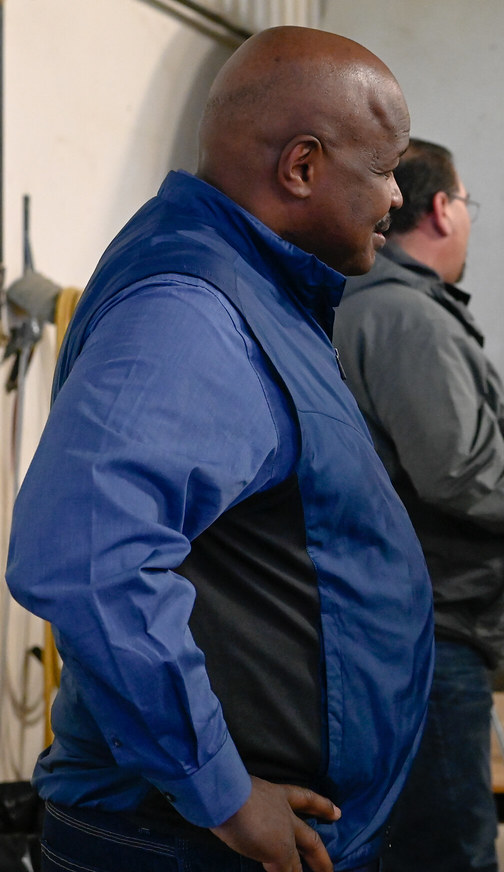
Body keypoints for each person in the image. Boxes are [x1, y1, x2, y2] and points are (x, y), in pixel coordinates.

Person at [5, 26, 434, 872]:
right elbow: (88, 558)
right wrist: (224, 793)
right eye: (385, 168)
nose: (396, 198)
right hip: (180, 843)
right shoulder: (191, 311)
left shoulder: (258, 286)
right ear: (302, 167)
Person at [332, 138, 504, 872]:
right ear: (442, 209)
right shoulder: (406, 319)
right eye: (467, 202)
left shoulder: (378, 306)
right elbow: (467, 475)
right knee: (449, 850)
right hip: (428, 636)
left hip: (417, 631)